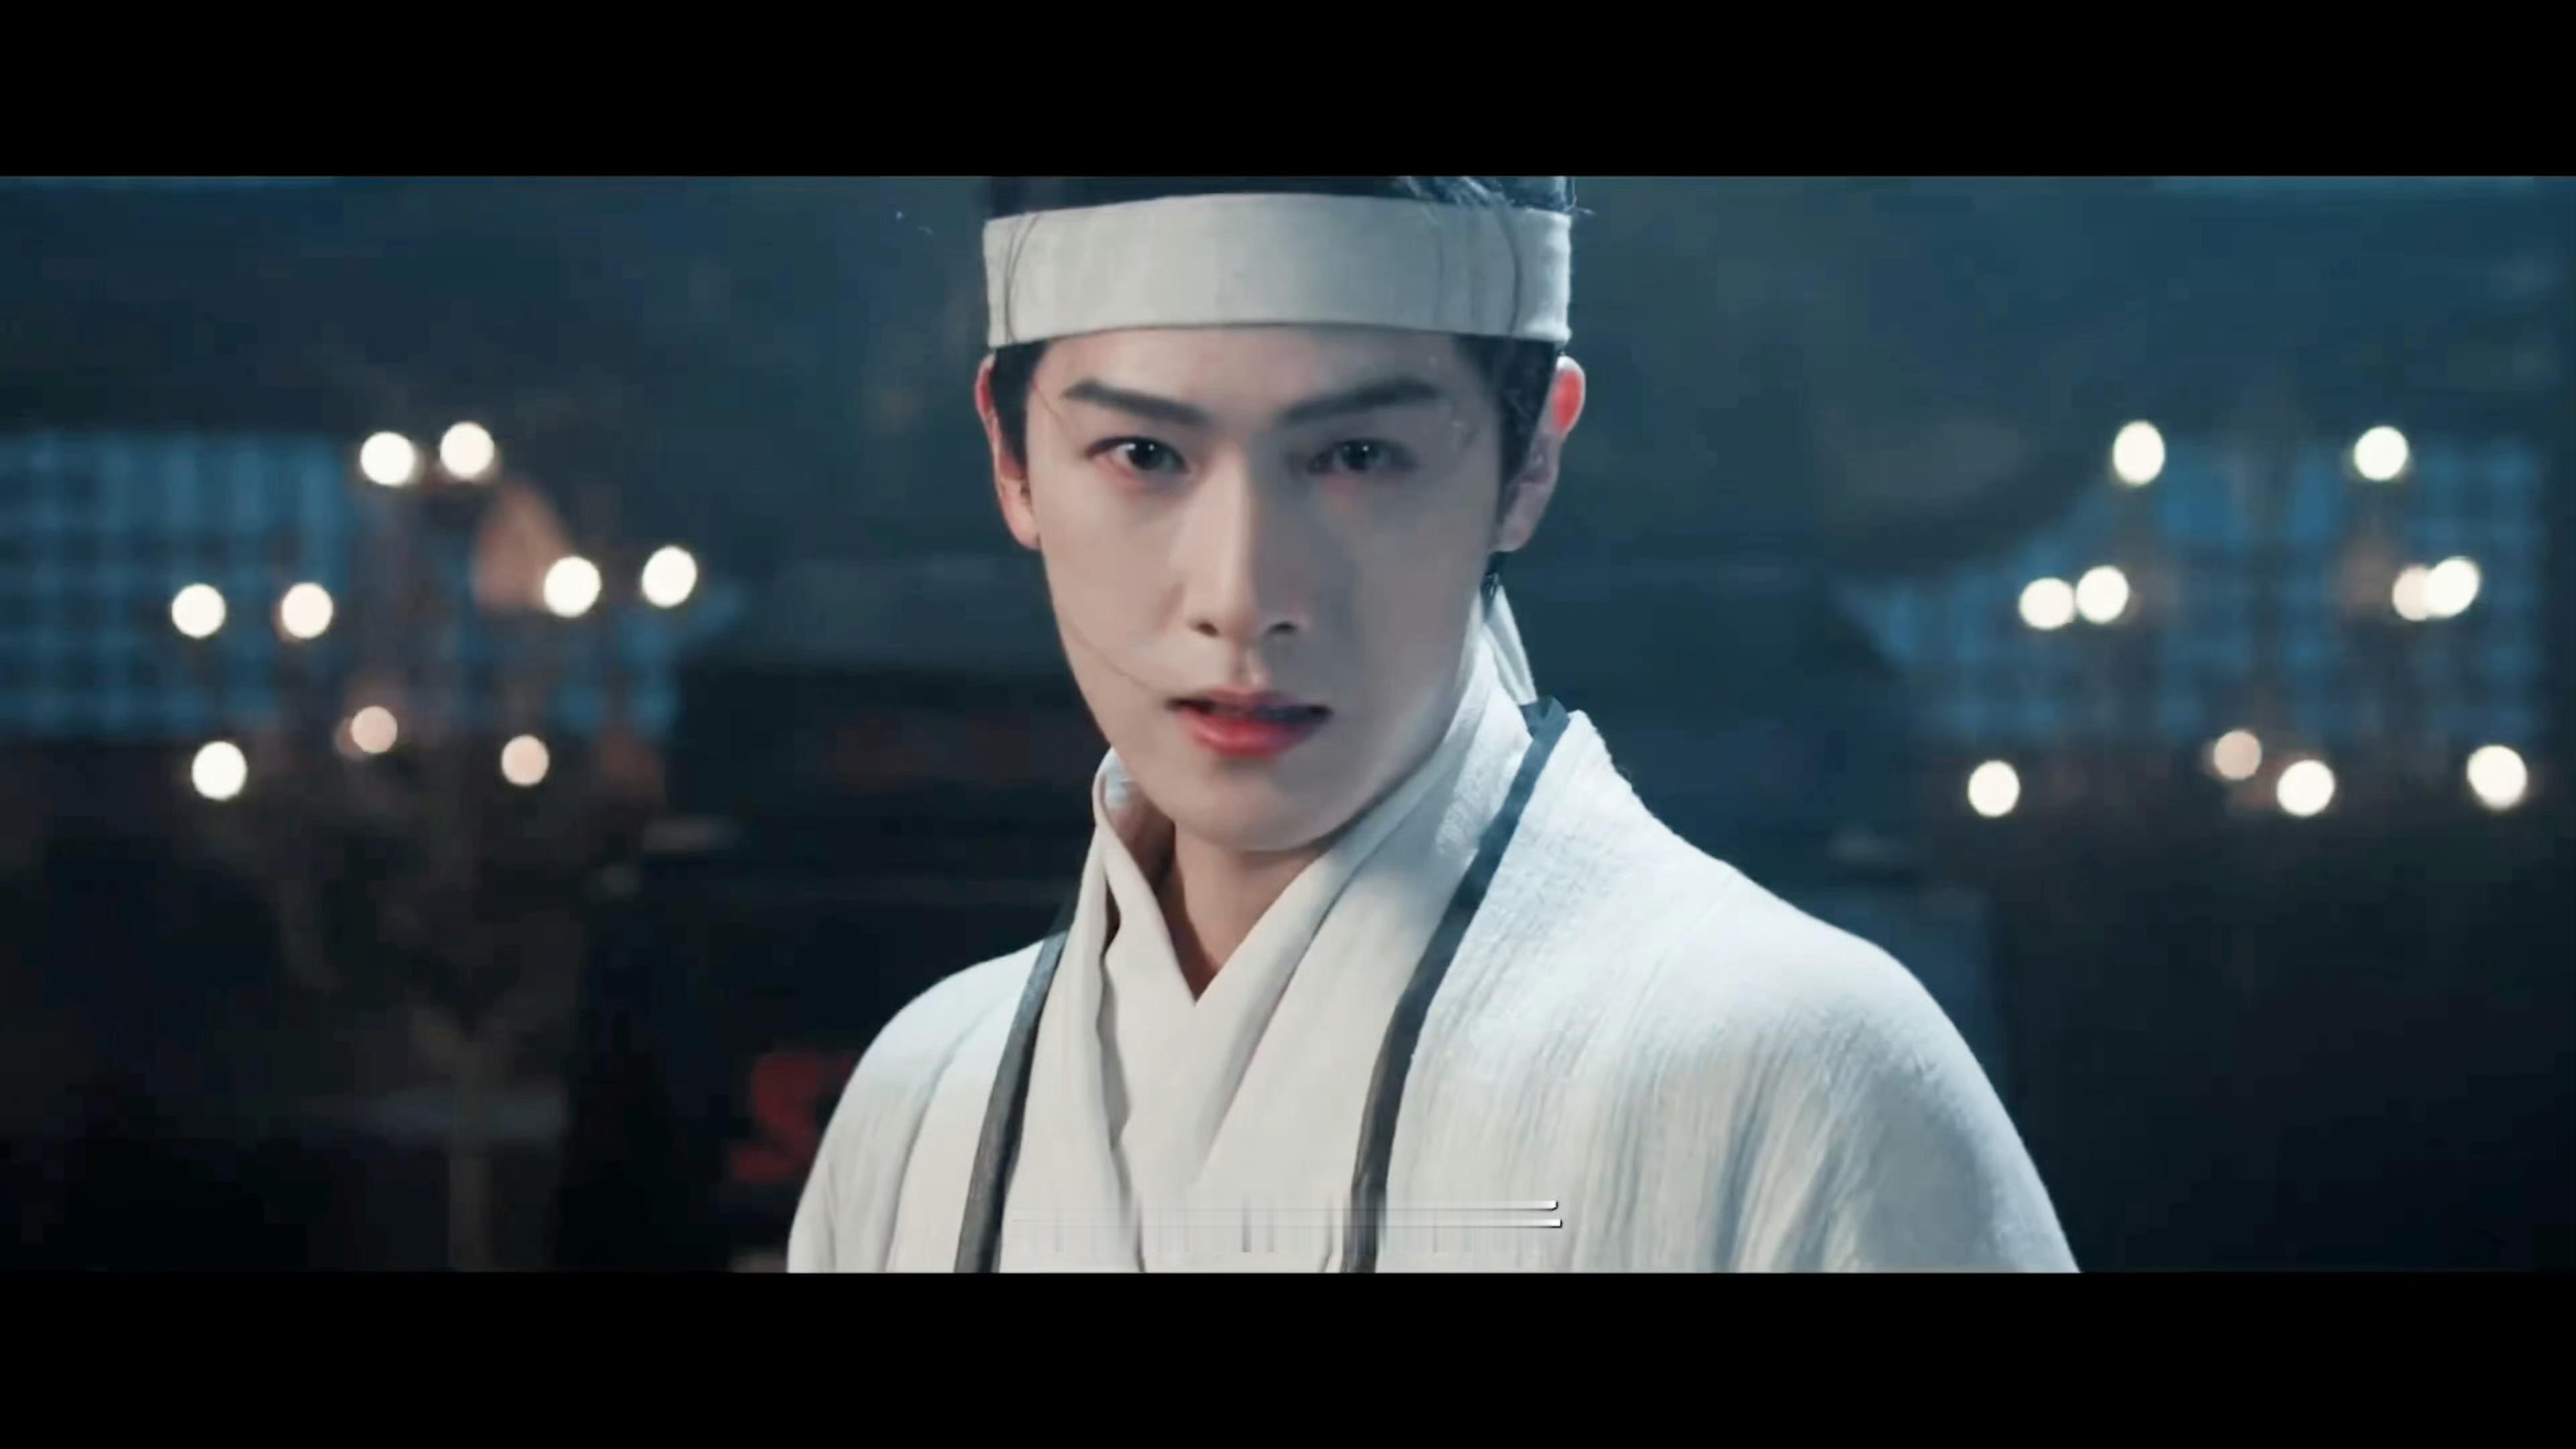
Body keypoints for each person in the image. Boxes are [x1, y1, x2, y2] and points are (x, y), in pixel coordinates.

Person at [788, 177, 2075, 1271]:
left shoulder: (1804, 1076)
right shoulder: (922, 1105)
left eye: (1356, 457)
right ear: (1012, 457)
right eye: (1144, 455)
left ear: (1531, 460)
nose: (1241, 595)